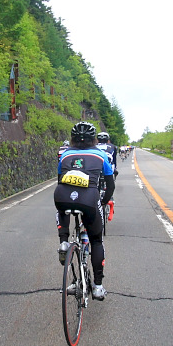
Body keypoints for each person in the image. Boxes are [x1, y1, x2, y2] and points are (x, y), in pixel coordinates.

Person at [55, 122, 114, 300]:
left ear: (72, 139)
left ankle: (64, 242)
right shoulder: (101, 155)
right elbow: (110, 185)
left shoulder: (65, 155)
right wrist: (102, 202)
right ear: (94, 139)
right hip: (89, 199)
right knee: (96, 240)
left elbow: (60, 181)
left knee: (62, 208)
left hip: (62, 196)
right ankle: (97, 286)